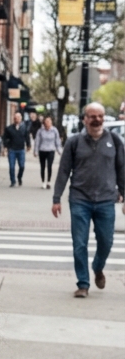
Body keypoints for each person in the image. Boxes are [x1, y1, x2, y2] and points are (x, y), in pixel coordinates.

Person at [51, 103, 125, 297]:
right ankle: (83, 283)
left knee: (106, 241)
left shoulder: (115, 141)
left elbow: (122, 171)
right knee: (79, 243)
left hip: (106, 200)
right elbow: (64, 171)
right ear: (85, 119)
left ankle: (98, 267)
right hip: (79, 199)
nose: (97, 120)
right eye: (92, 116)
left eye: (100, 116)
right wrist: (56, 198)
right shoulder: (74, 142)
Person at [1, 110, 30, 187]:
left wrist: (28, 145)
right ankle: (13, 181)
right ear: (13, 119)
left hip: (21, 149)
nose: (17, 119)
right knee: (11, 166)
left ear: (21, 118)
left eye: (18, 117)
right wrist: (5, 147)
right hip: (12, 150)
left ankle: (19, 177)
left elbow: (27, 137)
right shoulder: (9, 128)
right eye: (15, 117)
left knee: (22, 166)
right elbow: (4, 138)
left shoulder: (24, 128)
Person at [34, 114, 62, 189]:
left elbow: (57, 141)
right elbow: (37, 141)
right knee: (42, 166)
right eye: (46, 121)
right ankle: (43, 182)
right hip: (42, 150)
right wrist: (36, 151)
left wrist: (59, 150)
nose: (48, 122)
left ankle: (48, 181)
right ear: (44, 122)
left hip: (51, 150)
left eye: (49, 121)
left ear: (51, 122)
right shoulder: (40, 131)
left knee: (49, 166)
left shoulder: (54, 130)